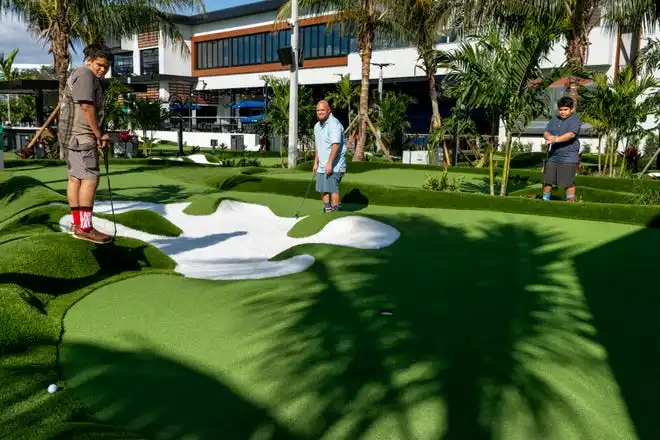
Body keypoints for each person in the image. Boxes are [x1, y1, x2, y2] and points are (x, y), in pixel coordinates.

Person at [58, 44, 113, 243]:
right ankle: (85, 227)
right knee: (90, 179)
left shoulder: (83, 75)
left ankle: (78, 224)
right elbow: (86, 106)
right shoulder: (85, 74)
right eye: (99, 65)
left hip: (71, 137)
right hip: (81, 136)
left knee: (76, 179)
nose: (102, 70)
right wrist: (98, 134)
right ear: (89, 59)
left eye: (106, 67)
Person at [542, 96, 581, 202]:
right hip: (553, 156)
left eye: (565, 110)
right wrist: (548, 136)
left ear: (572, 109)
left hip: (568, 157)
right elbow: (546, 131)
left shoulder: (574, 120)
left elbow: (571, 135)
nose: (562, 112)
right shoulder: (555, 119)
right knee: (547, 181)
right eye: (560, 109)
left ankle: (570, 205)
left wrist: (555, 139)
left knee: (568, 183)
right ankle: (545, 201)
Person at [313, 100, 346, 213]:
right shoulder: (317, 126)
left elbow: (335, 145)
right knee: (322, 188)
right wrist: (316, 162)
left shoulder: (334, 124)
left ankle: (335, 210)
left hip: (335, 164)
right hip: (322, 164)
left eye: (322, 110)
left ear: (328, 110)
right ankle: (328, 209)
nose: (320, 112)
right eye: (318, 110)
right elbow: (319, 146)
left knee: (332, 188)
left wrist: (329, 163)